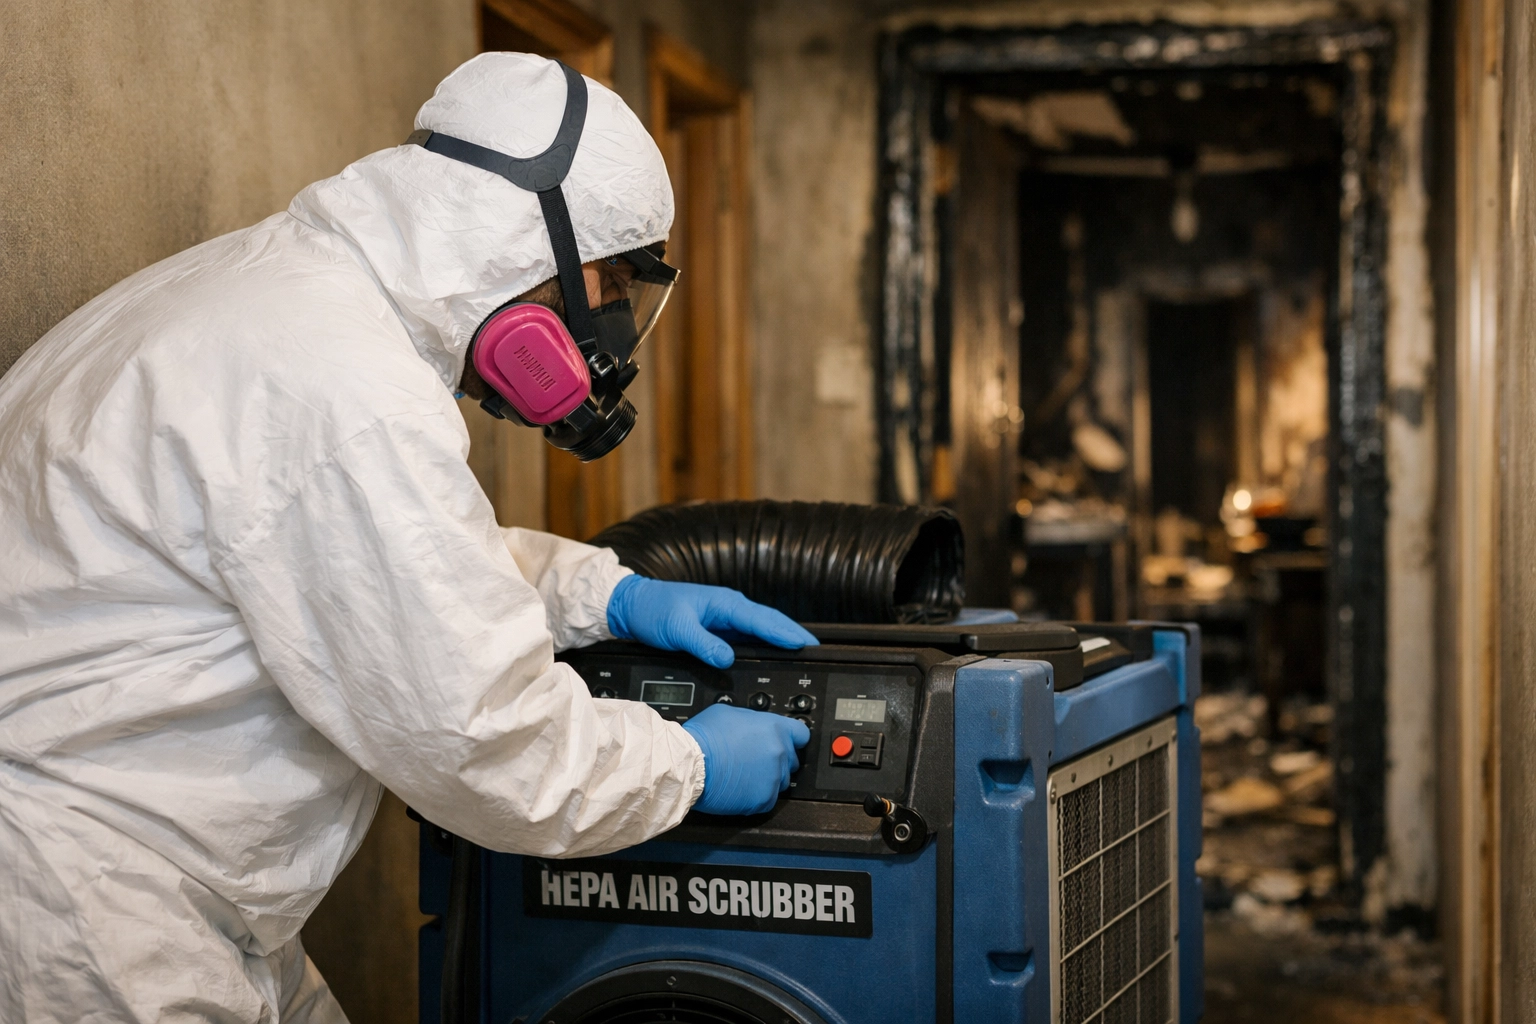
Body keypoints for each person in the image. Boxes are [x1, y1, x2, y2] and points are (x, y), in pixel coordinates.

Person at [0, 53, 813, 1023]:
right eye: (606, 287)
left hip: (140, 869)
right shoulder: (349, 387)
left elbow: (374, 557)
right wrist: (685, 766)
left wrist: (603, 594)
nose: (604, 333)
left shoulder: (283, 292)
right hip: (84, 900)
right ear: (535, 239)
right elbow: (480, 742)